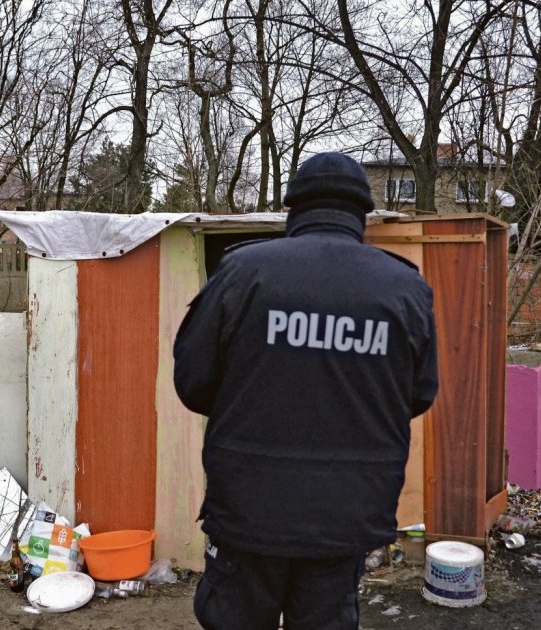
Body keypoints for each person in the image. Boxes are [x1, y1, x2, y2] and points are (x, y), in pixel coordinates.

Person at [173, 152, 439, 629]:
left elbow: (193, 383)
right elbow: (419, 394)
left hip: (249, 509)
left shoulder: (242, 272)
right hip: (348, 514)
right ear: (362, 212)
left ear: (293, 208)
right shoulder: (405, 289)